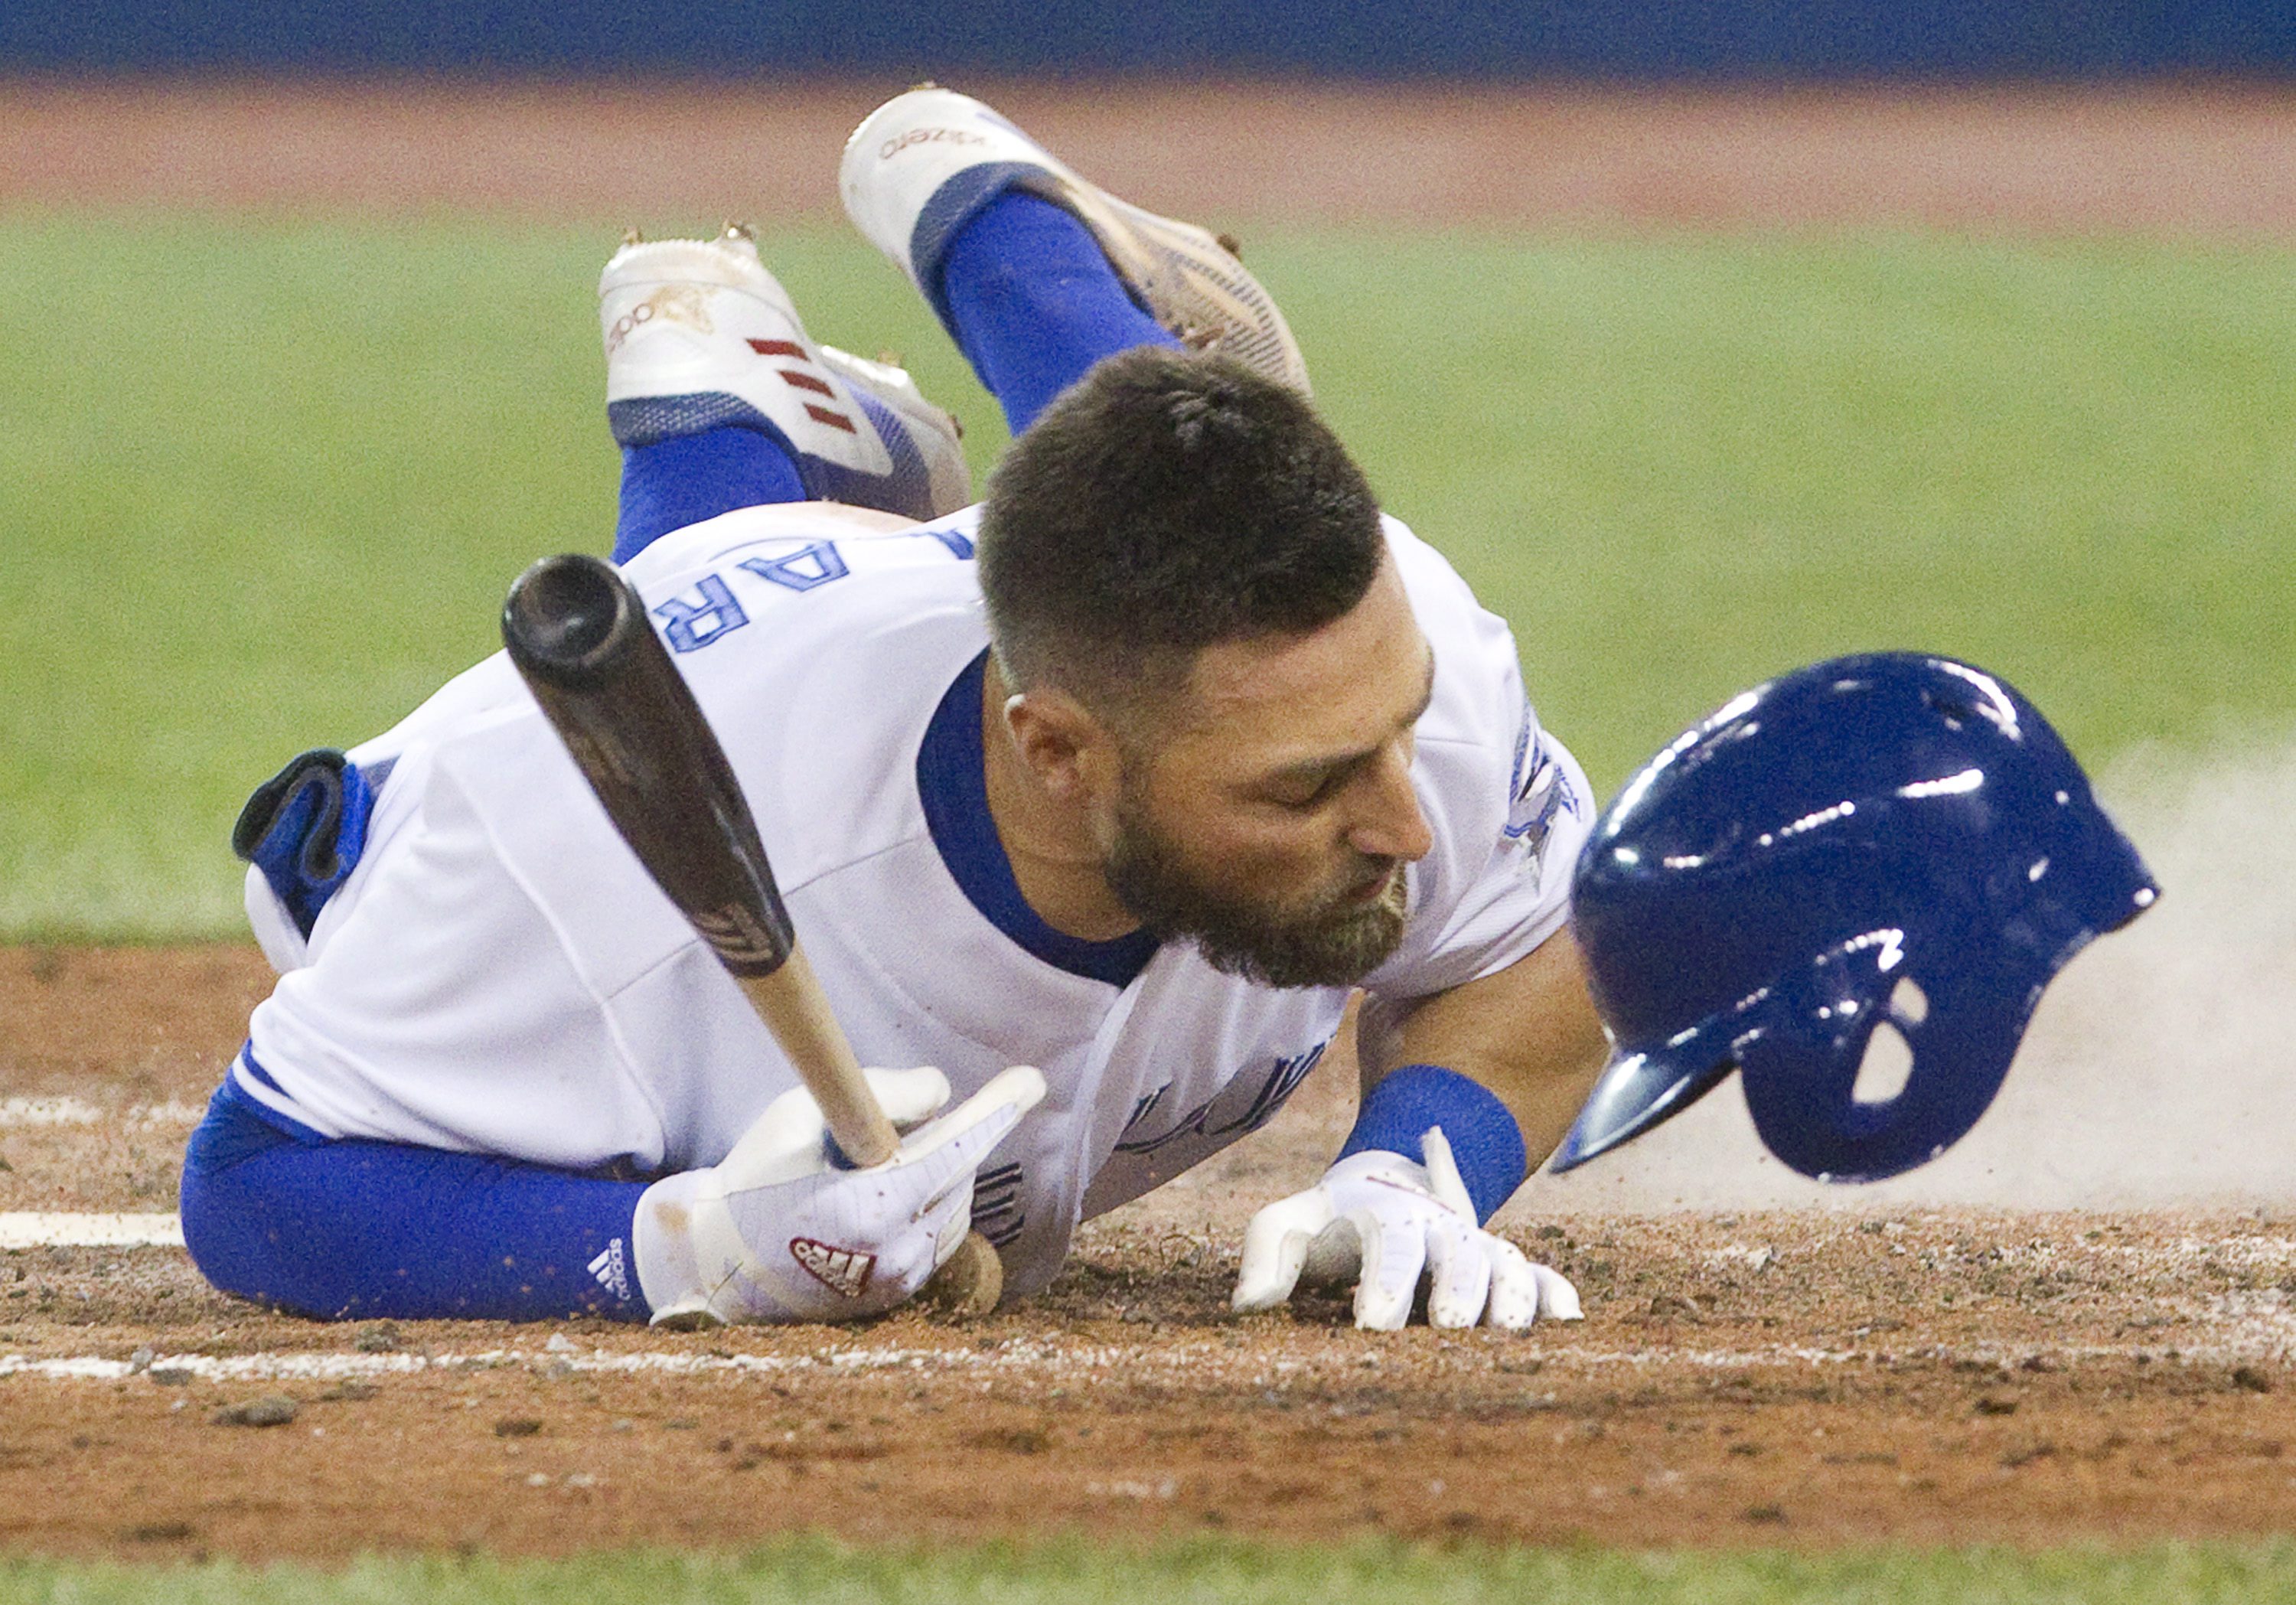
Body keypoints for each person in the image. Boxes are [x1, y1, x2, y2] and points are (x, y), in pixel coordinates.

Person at [180, 86, 1606, 1331]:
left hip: (894, 641)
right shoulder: (562, 872)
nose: (1408, 820)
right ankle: (723, 429)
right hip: (690, 727)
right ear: (1054, 750)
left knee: (1150, 493)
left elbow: (1546, 942)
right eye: (1303, 790)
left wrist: (1419, 1160)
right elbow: (259, 1178)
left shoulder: (1387, 670)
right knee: (562, 1022)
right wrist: (693, 1249)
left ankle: (995, 231)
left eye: (1403, 736)